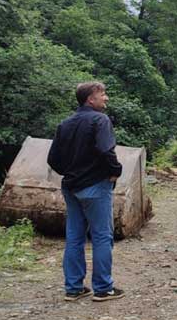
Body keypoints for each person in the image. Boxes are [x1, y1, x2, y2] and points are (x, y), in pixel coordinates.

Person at [47, 81, 125, 302]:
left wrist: (70, 173)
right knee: (101, 236)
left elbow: (52, 159)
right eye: (103, 94)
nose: (106, 98)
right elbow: (105, 149)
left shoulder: (65, 123)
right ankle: (103, 288)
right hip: (95, 186)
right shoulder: (100, 120)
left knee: (74, 237)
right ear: (91, 99)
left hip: (70, 187)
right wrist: (116, 171)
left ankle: (73, 289)